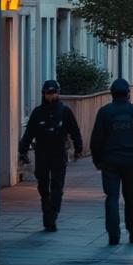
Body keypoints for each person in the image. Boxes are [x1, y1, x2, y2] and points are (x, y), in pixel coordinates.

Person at [89, 78, 133, 246]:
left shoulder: (104, 112)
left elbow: (96, 139)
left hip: (110, 161)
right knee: (132, 198)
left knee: (112, 197)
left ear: (112, 94)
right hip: (131, 160)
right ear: (128, 93)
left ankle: (113, 234)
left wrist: (97, 159)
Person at [18, 80, 82, 232]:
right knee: (43, 185)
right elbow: (29, 133)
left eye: (53, 93)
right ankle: (48, 211)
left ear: (58, 93)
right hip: (42, 154)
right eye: (48, 93)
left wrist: (78, 148)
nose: (51, 96)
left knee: (57, 186)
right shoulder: (37, 112)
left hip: (59, 153)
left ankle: (52, 215)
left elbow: (75, 130)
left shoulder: (65, 111)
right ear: (43, 94)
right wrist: (23, 150)